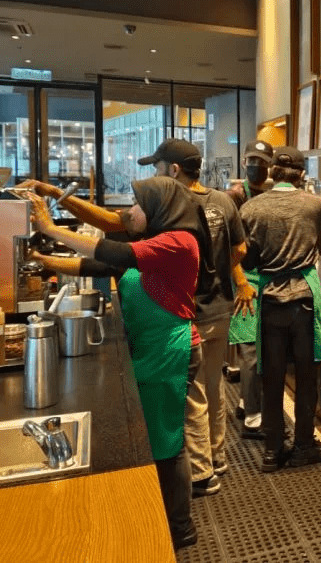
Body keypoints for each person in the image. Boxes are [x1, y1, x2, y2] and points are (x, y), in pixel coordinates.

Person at [27, 177, 211, 550]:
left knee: (167, 442)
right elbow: (97, 265)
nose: (129, 212)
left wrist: (48, 228)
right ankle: (164, 514)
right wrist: (42, 260)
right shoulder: (150, 241)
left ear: (161, 209)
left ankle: (179, 527)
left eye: (138, 205)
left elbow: (116, 255)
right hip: (152, 348)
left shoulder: (179, 243)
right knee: (158, 439)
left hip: (170, 350)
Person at [138, 138, 251, 497]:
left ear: (173, 170)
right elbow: (241, 249)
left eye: (158, 168)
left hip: (190, 311)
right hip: (222, 307)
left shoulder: (173, 205)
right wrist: (218, 273)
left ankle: (202, 473)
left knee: (193, 394)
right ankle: (217, 457)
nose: (156, 175)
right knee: (215, 387)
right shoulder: (223, 200)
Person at [238, 145, 321, 472]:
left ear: (273, 171)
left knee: (272, 377)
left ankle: (272, 450)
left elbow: (248, 260)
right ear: (302, 173)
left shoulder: (251, 208)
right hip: (304, 300)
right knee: (306, 377)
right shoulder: (314, 205)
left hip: (270, 300)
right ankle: (304, 445)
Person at [226, 138, 273, 440]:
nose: (255, 165)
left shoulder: (268, 194)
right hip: (243, 277)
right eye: (251, 160)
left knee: (258, 346)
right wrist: (240, 281)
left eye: (261, 161)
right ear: (244, 162)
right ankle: (253, 419)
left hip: (264, 277)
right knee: (250, 348)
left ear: (269, 166)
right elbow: (226, 245)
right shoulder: (234, 196)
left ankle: (246, 400)